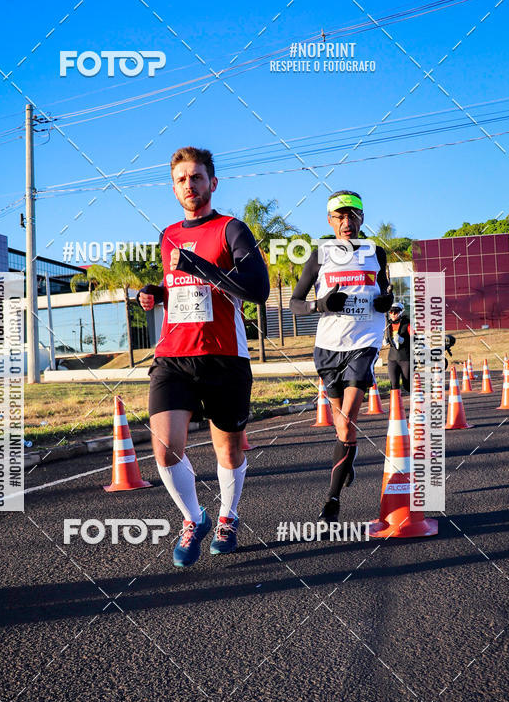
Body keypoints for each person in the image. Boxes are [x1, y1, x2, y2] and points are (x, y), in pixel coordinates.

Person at [138, 146, 270, 568]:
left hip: (224, 358)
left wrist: (197, 265)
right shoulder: (168, 235)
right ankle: (194, 518)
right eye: (181, 179)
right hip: (173, 357)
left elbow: (258, 289)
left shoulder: (232, 229)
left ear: (212, 182)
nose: (189, 185)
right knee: (165, 448)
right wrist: (155, 294)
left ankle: (228, 517)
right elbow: (179, 287)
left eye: (197, 177)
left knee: (227, 453)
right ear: (173, 187)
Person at [289, 190, 393, 523]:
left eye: (353, 216)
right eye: (339, 217)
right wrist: (319, 305)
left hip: (364, 342)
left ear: (362, 218)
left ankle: (331, 501)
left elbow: (386, 292)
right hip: (328, 345)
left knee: (347, 422)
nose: (347, 223)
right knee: (340, 426)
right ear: (329, 220)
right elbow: (294, 302)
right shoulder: (320, 255)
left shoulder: (376, 252)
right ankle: (348, 455)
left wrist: (385, 303)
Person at [385, 302, 411, 392]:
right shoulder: (389, 324)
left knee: (407, 384)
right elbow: (390, 338)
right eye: (390, 312)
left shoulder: (407, 324)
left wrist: (403, 340)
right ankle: (396, 406)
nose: (392, 314)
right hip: (392, 358)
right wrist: (387, 341)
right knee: (394, 384)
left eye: (395, 312)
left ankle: (417, 403)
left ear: (400, 312)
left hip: (405, 358)